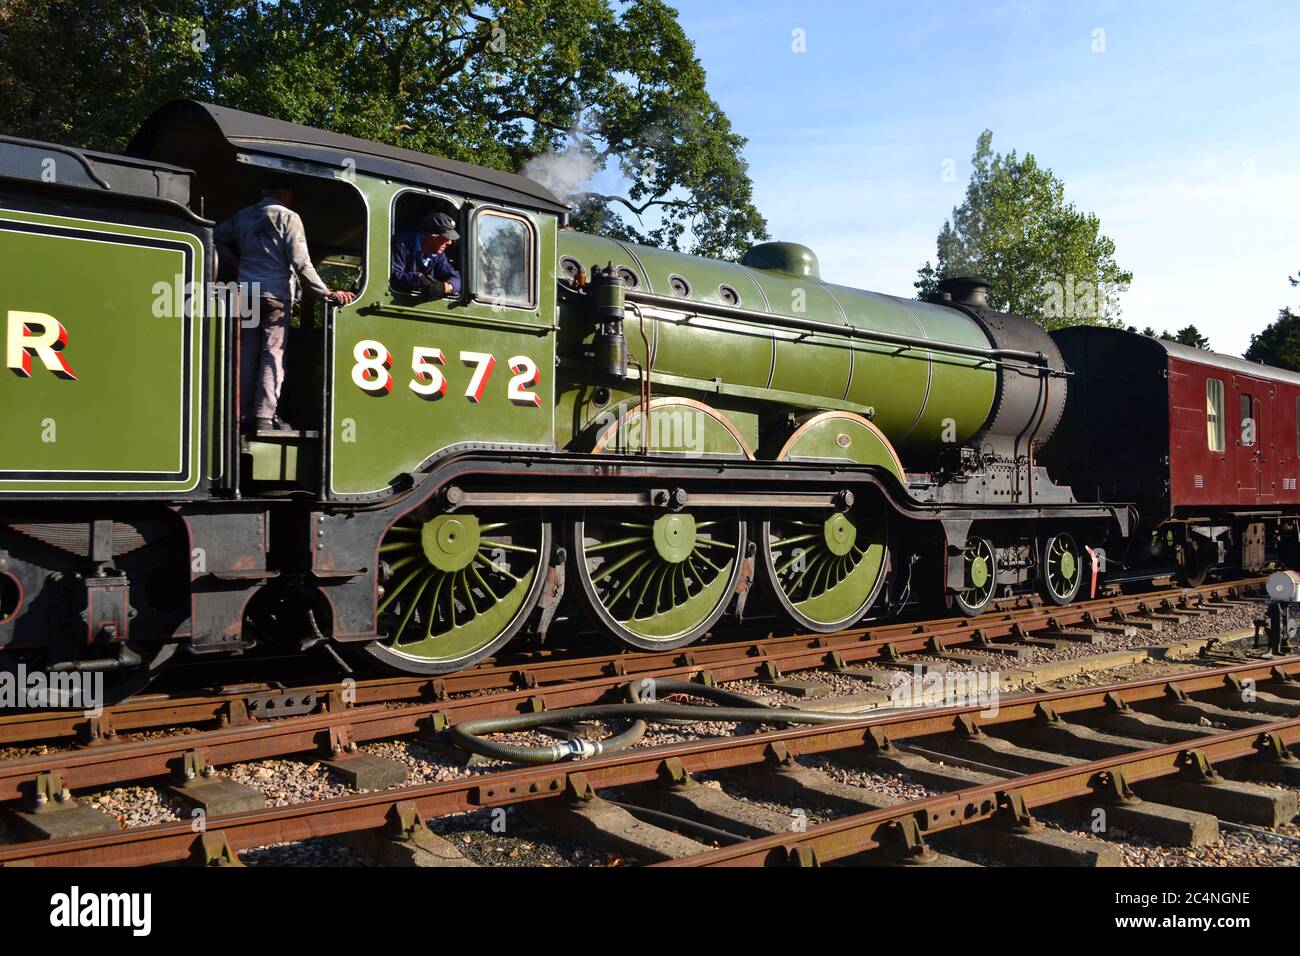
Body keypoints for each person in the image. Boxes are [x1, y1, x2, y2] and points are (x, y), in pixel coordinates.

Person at [214, 172, 355, 432]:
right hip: (274, 295)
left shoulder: (243, 216)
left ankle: (241, 414)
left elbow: (215, 237)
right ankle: (264, 416)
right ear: (287, 194)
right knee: (273, 353)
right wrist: (325, 293)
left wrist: (234, 262)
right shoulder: (288, 217)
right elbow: (301, 262)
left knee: (246, 354)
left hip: (246, 292)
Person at [391, 211, 462, 298]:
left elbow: (456, 278)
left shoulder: (438, 254)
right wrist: (419, 278)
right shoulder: (401, 244)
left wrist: (444, 288)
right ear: (432, 237)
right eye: (446, 238)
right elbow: (394, 277)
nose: (450, 243)